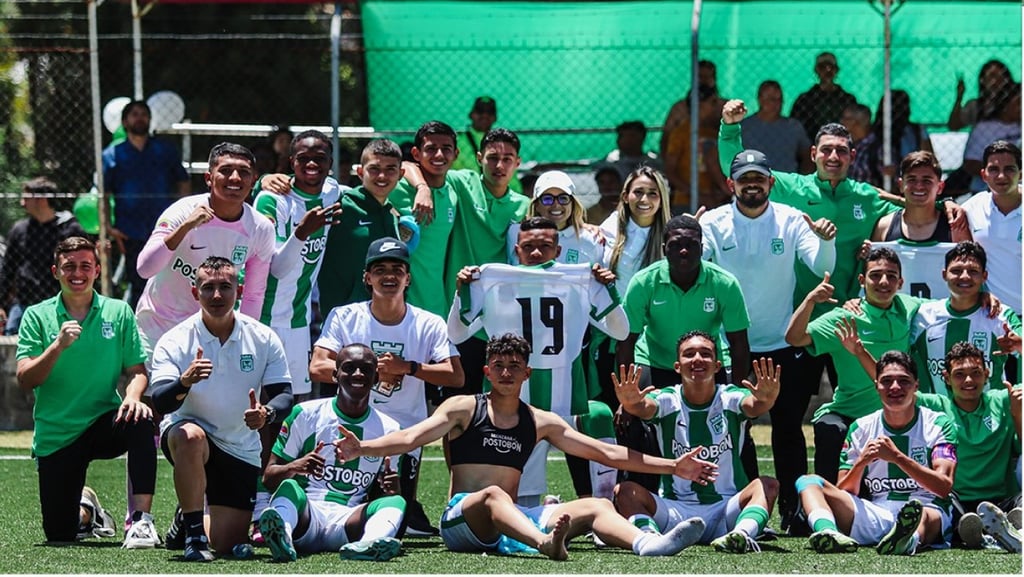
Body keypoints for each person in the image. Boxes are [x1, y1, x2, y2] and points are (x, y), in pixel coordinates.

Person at [333, 333, 718, 561]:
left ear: (527, 373)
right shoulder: (463, 407)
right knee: (492, 495)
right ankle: (544, 544)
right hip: (462, 522)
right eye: (498, 365)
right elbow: (410, 438)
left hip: (513, 518)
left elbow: (605, 453)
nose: (506, 372)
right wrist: (362, 448)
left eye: (514, 366)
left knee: (598, 505)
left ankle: (648, 544)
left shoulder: (540, 420)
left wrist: (673, 466)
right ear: (487, 371)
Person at [700, 149, 837, 533]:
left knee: (788, 428)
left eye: (759, 178)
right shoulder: (712, 222)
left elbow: (821, 265)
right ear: (731, 183)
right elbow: (697, 264)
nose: (752, 184)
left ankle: (794, 513)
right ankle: (744, 511)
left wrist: (826, 240)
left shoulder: (791, 218)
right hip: (732, 346)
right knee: (736, 431)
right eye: (744, 178)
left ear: (771, 182)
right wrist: (689, 236)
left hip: (782, 344)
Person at [452, 217, 628, 506]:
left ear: (558, 251)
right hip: (513, 406)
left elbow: (620, 331)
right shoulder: (495, 282)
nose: (536, 253)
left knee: (599, 414)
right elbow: (456, 334)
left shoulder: (579, 281)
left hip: (565, 402)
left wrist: (608, 289)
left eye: (544, 246)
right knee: (522, 503)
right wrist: (463, 292)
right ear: (516, 250)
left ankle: (603, 504)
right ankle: (541, 511)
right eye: (528, 247)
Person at [310, 237, 464, 537]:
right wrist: (373, 375)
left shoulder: (429, 322)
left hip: (405, 434)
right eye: (380, 270)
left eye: (397, 269)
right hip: (352, 428)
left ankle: (409, 510)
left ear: (408, 278)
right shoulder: (345, 316)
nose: (389, 276)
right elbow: (317, 367)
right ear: (367, 278)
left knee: (395, 522)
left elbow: (455, 375)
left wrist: (409, 367)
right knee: (340, 514)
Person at [16, 236, 158, 547]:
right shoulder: (36, 315)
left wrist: (133, 397)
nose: (77, 273)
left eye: (85, 266)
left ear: (96, 270)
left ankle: (140, 521)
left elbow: (137, 371)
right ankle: (88, 511)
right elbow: (25, 379)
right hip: (57, 434)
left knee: (140, 419)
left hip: (103, 422)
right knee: (60, 534)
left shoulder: (119, 311)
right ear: (55, 271)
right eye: (69, 267)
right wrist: (57, 346)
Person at [150, 256, 293, 561]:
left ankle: (186, 521)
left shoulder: (263, 337)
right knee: (190, 436)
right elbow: (160, 401)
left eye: (225, 287)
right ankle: (194, 538)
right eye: (208, 288)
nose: (216, 295)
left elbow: (284, 395)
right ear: (195, 292)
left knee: (228, 544)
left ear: (239, 290)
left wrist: (266, 414)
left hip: (240, 446)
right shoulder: (174, 340)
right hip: (188, 439)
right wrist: (184, 382)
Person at [250, 129, 342, 539]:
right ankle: (256, 502)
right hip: (264, 320)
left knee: (292, 415)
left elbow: (375, 178)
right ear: (290, 162)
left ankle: (288, 501)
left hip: (300, 323)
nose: (312, 164)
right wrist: (301, 231)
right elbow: (274, 268)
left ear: (330, 163)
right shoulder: (272, 200)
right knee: (262, 413)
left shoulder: (333, 192)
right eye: (303, 157)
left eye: (320, 157)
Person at [613, 331, 781, 553]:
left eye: (706, 354)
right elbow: (643, 408)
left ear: (718, 366)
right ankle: (652, 539)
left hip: (726, 509)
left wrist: (767, 398)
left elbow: (755, 406)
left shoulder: (730, 397)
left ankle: (740, 535)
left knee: (768, 485)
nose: (697, 359)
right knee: (624, 492)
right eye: (689, 354)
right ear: (677, 366)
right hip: (675, 510)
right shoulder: (668, 399)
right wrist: (630, 402)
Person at [406, 128, 531, 398]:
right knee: (457, 397)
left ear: (518, 162)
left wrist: (589, 228)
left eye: (507, 159)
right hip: (460, 313)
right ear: (478, 158)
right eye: (492, 158)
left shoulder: (525, 206)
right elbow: (407, 165)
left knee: (499, 398)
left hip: (501, 317)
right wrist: (422, 188)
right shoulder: (461, 182)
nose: (499, 166)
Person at [795, 351, 957, 555]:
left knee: (922, 514)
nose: (895, 387)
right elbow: (845, 490)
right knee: (808, 482)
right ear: (876, 386)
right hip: (878, 511)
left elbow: (943, 487)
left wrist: (897, 458)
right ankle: (828, 533)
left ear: (916, 385)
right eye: (887, 381)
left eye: (904, 381)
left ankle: (907, 541)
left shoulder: (938, 424)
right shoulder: (860, 428)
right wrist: (862, 462)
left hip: (927, 506)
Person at [258, 343, 407, 562]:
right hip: (307, 517)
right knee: (289, 487)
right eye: (349, 368)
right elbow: (269, 479)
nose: (358, 374)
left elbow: (382, 496)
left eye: (366, 369)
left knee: (396, 502)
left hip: (348, 522)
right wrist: (295, 466)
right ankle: (283, 539)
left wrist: (392, 489)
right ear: (335, 375)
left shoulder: (390, 430)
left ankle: (368, 544)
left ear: (376, 378)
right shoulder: (305, 414)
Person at [785, 247, 922, 483]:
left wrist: (984, 296)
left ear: (900, 282)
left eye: (891, 276)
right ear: (862, 280)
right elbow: (794, 337)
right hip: (848, 413)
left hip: (893, 413)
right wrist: (810, 300)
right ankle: (824, 501)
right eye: (875, 275)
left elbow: (950, 304)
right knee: (830, 429)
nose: (883, 281)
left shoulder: (908, 307)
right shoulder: (844, 318)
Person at [134, 142, 275, 360]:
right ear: (209, 178)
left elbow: (253, 295)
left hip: (211, 333)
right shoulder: (183, 211)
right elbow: (145, 268)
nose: (235, 178)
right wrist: (186, 227)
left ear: (254, 180)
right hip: (158, 327)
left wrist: (244, 339)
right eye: (226, 170)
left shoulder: (260, 228)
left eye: (244, 172)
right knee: (158, 385)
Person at [918, 343, 1022, 553]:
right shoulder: (936, 405)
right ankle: (984, 532)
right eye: (959, 374)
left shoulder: (1002, 400)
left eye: (976, 373)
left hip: (1003, 500)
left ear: (986, 374)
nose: (968, 380)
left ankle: (1008, 528)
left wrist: (1018, 413)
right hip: (958, 502)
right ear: (946, 378)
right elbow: (894, 389)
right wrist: (859, 351)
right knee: (945, 512)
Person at [101, 99, 191, 308]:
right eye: (134, 114)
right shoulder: (112, 154)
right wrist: (108, 226)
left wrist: (184, 217)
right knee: (138, 283)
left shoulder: (165, 150)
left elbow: (183, 181)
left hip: (166, 228)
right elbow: (104, 193)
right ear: (125, 122)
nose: (140, 118)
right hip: (130, 231)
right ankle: (137, 325)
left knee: (170, 281)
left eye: (144, 114)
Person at [909, 242, 1021, 396]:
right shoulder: (923, 315)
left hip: (990, 410)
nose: (965, 277)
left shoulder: (1000, 315)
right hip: (938, 410)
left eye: (973, 271)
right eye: (956, 271)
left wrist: (1019, 345)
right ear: (944, 274)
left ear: (984, 276)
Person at [317, 139, 406, 315]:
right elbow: (302, 191)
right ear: (360, 172)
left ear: (401, 174)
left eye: (390, 169)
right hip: (341, 317)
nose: (382, 176)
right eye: (374, 169)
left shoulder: (392, 214)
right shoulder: (339, 204)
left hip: (384, 318)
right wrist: (267, 180)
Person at [388, 121, 461, 318]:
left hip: (436, 308)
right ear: (416, 153)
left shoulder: (452, 193)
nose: (439, 155)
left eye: (446, 149)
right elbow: (403, 165)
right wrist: (422, 187)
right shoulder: (396, 186)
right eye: (431, 149)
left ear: (456, 154)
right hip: (396, 308)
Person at [0, 177, 86, 334]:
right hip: (24, 303)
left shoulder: (69, 229)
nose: (22, 203)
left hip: (60, 303)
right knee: (12, 340)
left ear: (41, 200)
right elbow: (8, 269)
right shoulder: (20, 230)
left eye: (26, 198)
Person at [961, 140, 1021, 315]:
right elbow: (930, 209)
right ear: (983, 175)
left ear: (1021, 173)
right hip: (991, 316)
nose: (1001, 176)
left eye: (1009, 169)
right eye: (994, 169)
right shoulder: (972, 207)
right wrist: (948, 203)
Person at [506, 170, 605, 267]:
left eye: (563, 198)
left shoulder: (591, 239)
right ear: (537, 205)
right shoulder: (515, 233)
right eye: (547, 199)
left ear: (573, 204)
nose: (556, 205)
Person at [663, 85, 729, 211]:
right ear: (699, 105)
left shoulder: (714, 132)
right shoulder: (681, 132)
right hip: (685, 202)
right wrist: (695, 195)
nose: (717, 107)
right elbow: (670, 171)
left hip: (713, 201)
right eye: (713, 102)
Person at [862, 90, 934, 191]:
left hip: (909, 177)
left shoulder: (916, 130)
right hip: (878, 180)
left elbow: (928, 158)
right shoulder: (874, 133)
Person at [451, 96, 523, 193]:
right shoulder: (457, 141)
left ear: (495, 117)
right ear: (471, 114)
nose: (485, 115)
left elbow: (513, 181)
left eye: (490, 112)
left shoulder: (505, 143)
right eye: (480, 111)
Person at [739, 81, 813, 174]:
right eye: (771, 99)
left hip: (786, 180)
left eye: (779, 99)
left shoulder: (794, 127)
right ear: (760, 100)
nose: (775, 103)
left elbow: (807, 155)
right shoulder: (744, 128)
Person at [962, 83, 1022, 193]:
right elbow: (970, 164)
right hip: (986, 190)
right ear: (1005, 103)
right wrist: (1001, 170)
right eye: (1019, 102)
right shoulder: (984, 127)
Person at [789, 52, 858, 142]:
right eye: (823, 67)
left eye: (831, 67)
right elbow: (795, 127)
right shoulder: (804, 100)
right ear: (816, 70)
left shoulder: (847, 99)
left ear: (837, 70)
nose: (828, 70)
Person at [660, 59, 719, 156]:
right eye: (700, 77)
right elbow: (666, 137)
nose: (704, 81)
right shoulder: (679, 108)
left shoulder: (723, 107)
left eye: (707, 77)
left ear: (714, 79)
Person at [948, 59, 1016, 131]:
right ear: (983, 80)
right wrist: (959, 97)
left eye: (1000, 77)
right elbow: (953, 125)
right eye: (992, 76)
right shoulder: (975, 106)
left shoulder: (1016, 104)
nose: (995, 81)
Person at [842, 103, 877, 184]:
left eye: (846, 119)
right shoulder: (848, 144)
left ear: (857, 122)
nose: (842, 122)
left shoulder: (877, 148)